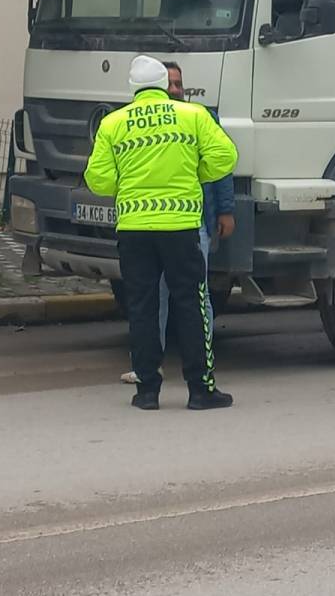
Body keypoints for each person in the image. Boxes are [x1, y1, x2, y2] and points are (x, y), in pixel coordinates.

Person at [86, 56, 238, 411]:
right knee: (192, 303)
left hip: (135, 230)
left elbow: (97, 180)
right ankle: (201, 390)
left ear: (133, 88)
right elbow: (225, 157)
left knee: (142, 306)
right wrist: (195, 171)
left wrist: (127, 184)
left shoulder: (113, 124)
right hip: (181, 227)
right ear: (162, 85)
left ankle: (147, 391)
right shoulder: (193, 116)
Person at [120, 61, 235, 383]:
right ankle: (150, 367)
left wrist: (225, 210)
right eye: (169, 82)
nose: (174, 89)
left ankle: (201, 363)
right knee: (156, 298)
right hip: (158, 225)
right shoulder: (142, 124)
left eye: (178, 83)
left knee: (197, 297)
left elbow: (224, 166)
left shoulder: (199, 118)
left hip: (194, 223)